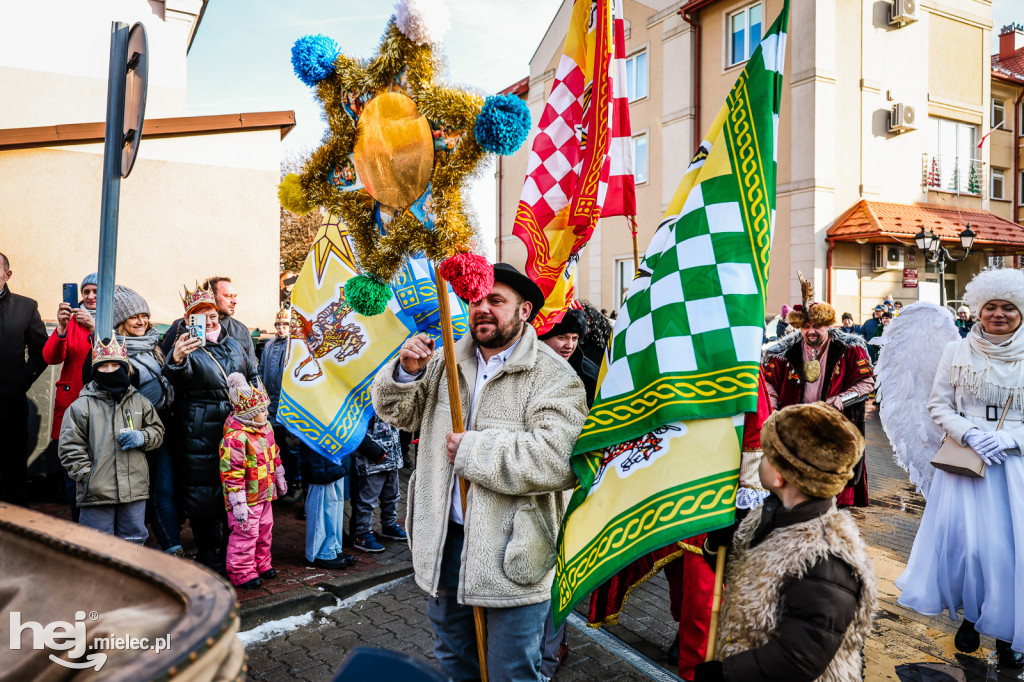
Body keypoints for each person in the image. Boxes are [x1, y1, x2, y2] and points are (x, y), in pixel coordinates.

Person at [371, 262, 588, 682]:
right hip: (445, 543)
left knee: (511, 672)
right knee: (456, 663)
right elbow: (400, 413)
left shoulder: (553, 375)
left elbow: (558, 460)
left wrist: (474, 450)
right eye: (476, 299)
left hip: (512, 553)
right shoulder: (446, 360)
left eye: (496, 300)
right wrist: (406, 373)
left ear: (524, 311)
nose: (482, 308)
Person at [692, 403, 877, 682]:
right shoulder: (773, 514)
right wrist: (720, 546)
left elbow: (799, 658)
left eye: (766, 454)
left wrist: (727, 674)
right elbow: (755, 580)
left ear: (780, 474)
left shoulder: (825, 558)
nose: (760, 460)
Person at [896, 268, 1024, 668]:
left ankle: (1007, 632)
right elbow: (938, 405)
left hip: (1014, 468)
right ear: (978, 310)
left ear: (1021, 313)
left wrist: (1010, 438)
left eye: (1008, 308)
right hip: (966, 466)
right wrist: (969, 433)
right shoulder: (956, 352)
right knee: (967, 548)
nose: (998, 314)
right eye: (990, 307)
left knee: (1008, 551)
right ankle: (971, 614)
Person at [164, 283, 258, 573]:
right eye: (200, 315)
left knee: (235, 484)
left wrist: (257, 405)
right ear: (188, 318)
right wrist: (177, 359)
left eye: (212, 313)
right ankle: (207, 550)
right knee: (202, 489)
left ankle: (234, 547)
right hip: (199, 426)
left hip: (235, 425)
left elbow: (251, 375)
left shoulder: (233, 342)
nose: (209, 320)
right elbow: (178, 380)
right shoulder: (185, 344)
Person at [762, 298, 874, 507]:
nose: (811, 331)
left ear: (829, 325)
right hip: (794, 430)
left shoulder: (849, 348)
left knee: (832, 492)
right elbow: (769, 386)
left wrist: (840, 401)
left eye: (817, 326)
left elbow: (866, 383)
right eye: (806, 326)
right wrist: (773, 408)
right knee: (795, 491)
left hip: (833, 428)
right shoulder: (783, 352)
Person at [58, 337, 164, 544]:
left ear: (125, 368)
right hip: (96, 493)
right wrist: (88, 477)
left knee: (132, 543)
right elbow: (69, 447)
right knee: (96, 547)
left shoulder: (140, 401)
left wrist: (143, 436)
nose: (110, 370)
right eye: (104, 366)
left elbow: (157, 431)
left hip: (134, 490)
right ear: (95, 371)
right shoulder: (81, 406)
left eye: (116, 365)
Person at [111, 285, 182, 554]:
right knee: (141, 494)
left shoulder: (155, 347)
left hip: (161, 430)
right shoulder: (118, 354)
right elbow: (126, 400)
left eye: (144, 315)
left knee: (164, 490)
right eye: (134, 316)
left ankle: (172, 548)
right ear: (120, 321)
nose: (141, 321)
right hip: (134, 434)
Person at [219, 373, 284, 589]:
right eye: (262, 411)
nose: (267, 413)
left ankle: (261, 564)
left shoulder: (266, 429)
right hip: (247, 499)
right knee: (245, 534)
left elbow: (274, 453)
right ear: (248, 413)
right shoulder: (235, 438)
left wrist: (279, 475)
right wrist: (238, 503)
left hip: (264, 494)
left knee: (265, 530)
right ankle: (242, 572)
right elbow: (232, 473)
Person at [43, 271, 98, 521]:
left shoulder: (114, 319)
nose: (90, 296)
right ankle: (77, 523)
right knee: (71, 471)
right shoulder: (72, 321)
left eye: (96, 291)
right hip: (72, 404)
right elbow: (51, 357)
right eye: (86, 291)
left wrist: (95, 328)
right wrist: (62, 328)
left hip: (101, 407)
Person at [0, 252, 47, 506]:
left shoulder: (26, 307)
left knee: (13, 474)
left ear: (7, 275)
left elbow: (42, 352)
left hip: (10, 405)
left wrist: (21, 381)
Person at [160, 276, 258, 369]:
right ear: (212, 297)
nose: (234, 301)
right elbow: (167, 365)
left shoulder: (241, 330)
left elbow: (252, 367)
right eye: (228, 296)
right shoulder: (180, 327)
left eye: (234, 296)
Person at [259, 307, 303, 504]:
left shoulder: (297, 346)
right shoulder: (268, 346)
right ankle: (279, 481)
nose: (281, 328)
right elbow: (260, 371)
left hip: (289, 403)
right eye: (278, 324)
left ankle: (297, 483)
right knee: (273, 445)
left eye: (285, 324)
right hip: (270, 404)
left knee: (292, 445)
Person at [351, 415, 407, 553]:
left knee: (392, 494)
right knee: (367, 500)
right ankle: (362, 533)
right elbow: (356, 429)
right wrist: (373, 451)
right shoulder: (363, 397)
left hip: (391, 456)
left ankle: (389, 524)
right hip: (372, 460)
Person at [302, 442, 357, 570]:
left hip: (335, 455)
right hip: (321, 459)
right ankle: (320, 553)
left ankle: (333, 547)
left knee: (334, 506)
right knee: (322, 507)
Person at [538, 307, 599, 405]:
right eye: (562, 338)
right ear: (544, 339)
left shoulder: (590, 376)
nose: (569, 345)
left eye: (575, 338)